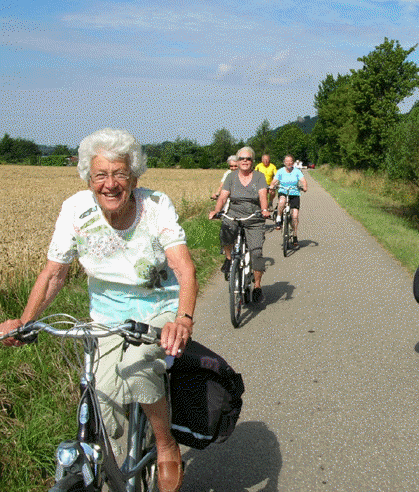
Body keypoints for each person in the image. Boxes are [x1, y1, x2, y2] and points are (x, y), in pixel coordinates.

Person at [0, 128, 197, 492]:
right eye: (100, 175)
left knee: (136, 370)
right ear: (88, 179)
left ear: (134, 177)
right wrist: (25, 323)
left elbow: (184, 268)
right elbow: (55, 273)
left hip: (158, 308)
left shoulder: (155, 207)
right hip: (105, 317)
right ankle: (111, 472)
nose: (110, 184)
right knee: (99, 398)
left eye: (119, 173)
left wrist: (182, 319)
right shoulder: (76, 209)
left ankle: (166, 444)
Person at [209, 146, 270, 302]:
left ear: (252, 161)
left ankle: (257, 286)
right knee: (225, 233)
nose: (245, 161)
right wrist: (216, 210)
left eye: (248, 158)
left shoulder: (259, 177)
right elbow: (223, 197)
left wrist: (264, 210)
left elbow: (263, 195)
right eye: (242, 158)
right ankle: (230, 260)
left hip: (254, 216)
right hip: (234, 214)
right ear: (237, 161)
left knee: (256, 253)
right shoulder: (231, 177)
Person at [270, 154, 308, 248]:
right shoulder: (280, 171)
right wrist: (271, 187)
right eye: (287, 161)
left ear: (293, 162)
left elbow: (303, 180)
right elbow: (274, 181)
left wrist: (304, 186)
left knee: (295, 216)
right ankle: (279, 218)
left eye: (291, 161)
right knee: (281, 202)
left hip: (294, 193)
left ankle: (295, 236)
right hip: (283, 191)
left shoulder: (297, 171)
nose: (289, 163)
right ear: (284, 162)